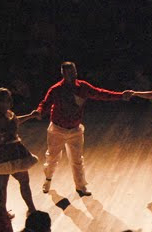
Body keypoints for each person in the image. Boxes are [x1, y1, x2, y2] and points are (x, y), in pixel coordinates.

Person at [32, 61, 131, 199]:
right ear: (63, 74)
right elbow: (45, 103)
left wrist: (120, 95)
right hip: (57, 130)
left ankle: (80, 186)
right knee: (52, 158)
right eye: (70, 72)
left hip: (75, 130)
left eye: (74, 71)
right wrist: (39, 111)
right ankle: (48, 179)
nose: (73, 74)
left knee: (77, 159)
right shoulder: (56, 89)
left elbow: (100, 93)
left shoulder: (82, 87)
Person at [0, 87, 38, 213]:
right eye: (4, 100)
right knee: (13, 184)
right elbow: (11, 127)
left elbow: (15, 121)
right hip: (7, 153)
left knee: (9, 184)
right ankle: (29, 209)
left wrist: (30, 116)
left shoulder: (6, 114)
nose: (7, 103)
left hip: (10, 152)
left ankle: (26, 209)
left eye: (8, 100)